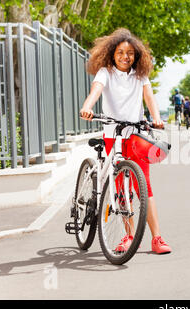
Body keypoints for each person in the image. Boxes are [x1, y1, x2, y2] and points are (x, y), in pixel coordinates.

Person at [79, 28, 171, 254]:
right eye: (120, 52)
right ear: (112, 53)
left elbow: (149, 98)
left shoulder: (140, 75)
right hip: (112, 134)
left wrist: (157, 119)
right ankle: (129, 236)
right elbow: (96, 90)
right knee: (120, 187)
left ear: (136, 56)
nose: (125, 56)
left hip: (136, 134)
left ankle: (157, 238)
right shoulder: (105, 72)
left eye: (130, 53)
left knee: (144, 186)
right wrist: (88, 107)